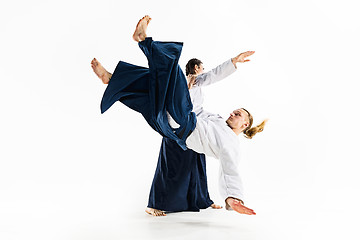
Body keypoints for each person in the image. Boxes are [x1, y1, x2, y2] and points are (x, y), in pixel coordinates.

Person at [91, 15, 266, 215]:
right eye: (235, 110)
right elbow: (207, 82)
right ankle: (111, 79)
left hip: (182, 124)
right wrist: (232, 62)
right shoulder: (215, 119)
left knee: (172, 72)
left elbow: (230, 168)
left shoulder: (230, 143)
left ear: (244, 125)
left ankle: (144, 41)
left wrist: (233, 198)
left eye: (238, 114)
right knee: (154, 85)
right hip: (171, 122)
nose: (233, 112)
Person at [146, 56, 240, 216]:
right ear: (196, 68)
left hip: (194, 129)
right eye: (202, 68)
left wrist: (233, 63)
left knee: (197, 164)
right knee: (169, 167)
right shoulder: (180, 82)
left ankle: (202, 200)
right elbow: (173, 103)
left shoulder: (198, 83)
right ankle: (155, 204)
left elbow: (210, 81)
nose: (203, 70)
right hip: (176, 129)